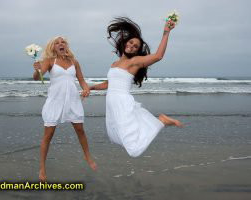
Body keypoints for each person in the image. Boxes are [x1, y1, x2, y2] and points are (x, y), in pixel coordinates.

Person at [89, 17, 183, 157]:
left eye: (136, 46)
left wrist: (166, 32)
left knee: (133, 150)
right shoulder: (114, 64)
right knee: (116, 137)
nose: (132, 46)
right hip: (112, 106)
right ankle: (158, 121)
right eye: (131, 42)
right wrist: (90, 88)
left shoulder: (135, 61)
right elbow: (108, 84)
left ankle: (160, 121)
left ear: (137, 51)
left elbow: (158, 56)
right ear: (126, 42)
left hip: (122, 103)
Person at [33, 36, 96, 182]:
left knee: (80, 130)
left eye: (63, 42)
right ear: (53, 47)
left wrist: (86, 89)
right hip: (55, 101)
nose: (61, 44)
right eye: (57, 42)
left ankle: (88, 156)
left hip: (73, 100)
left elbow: (82, 81)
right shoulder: (50, 61)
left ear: (66, 45)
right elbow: (38, 77)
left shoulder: (74, 62)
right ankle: (42, 167)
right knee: (48, 135)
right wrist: (37, 70)